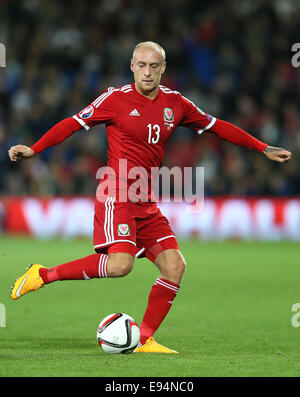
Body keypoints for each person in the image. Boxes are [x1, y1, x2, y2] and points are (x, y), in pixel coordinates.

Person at [8, 41, 292, 353]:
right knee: (120, 266)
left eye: (153, 66)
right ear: (132, 66)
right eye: (141, 65)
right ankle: (43, 275)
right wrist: (35, 148)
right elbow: (73, 123)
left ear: (163, 69)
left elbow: (217, 127)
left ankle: (144, 339)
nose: (147, 72)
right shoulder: (115, 99)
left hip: (145, 200)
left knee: (175, 266)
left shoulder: (177, 103)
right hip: (117, 193)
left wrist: (262, 147)